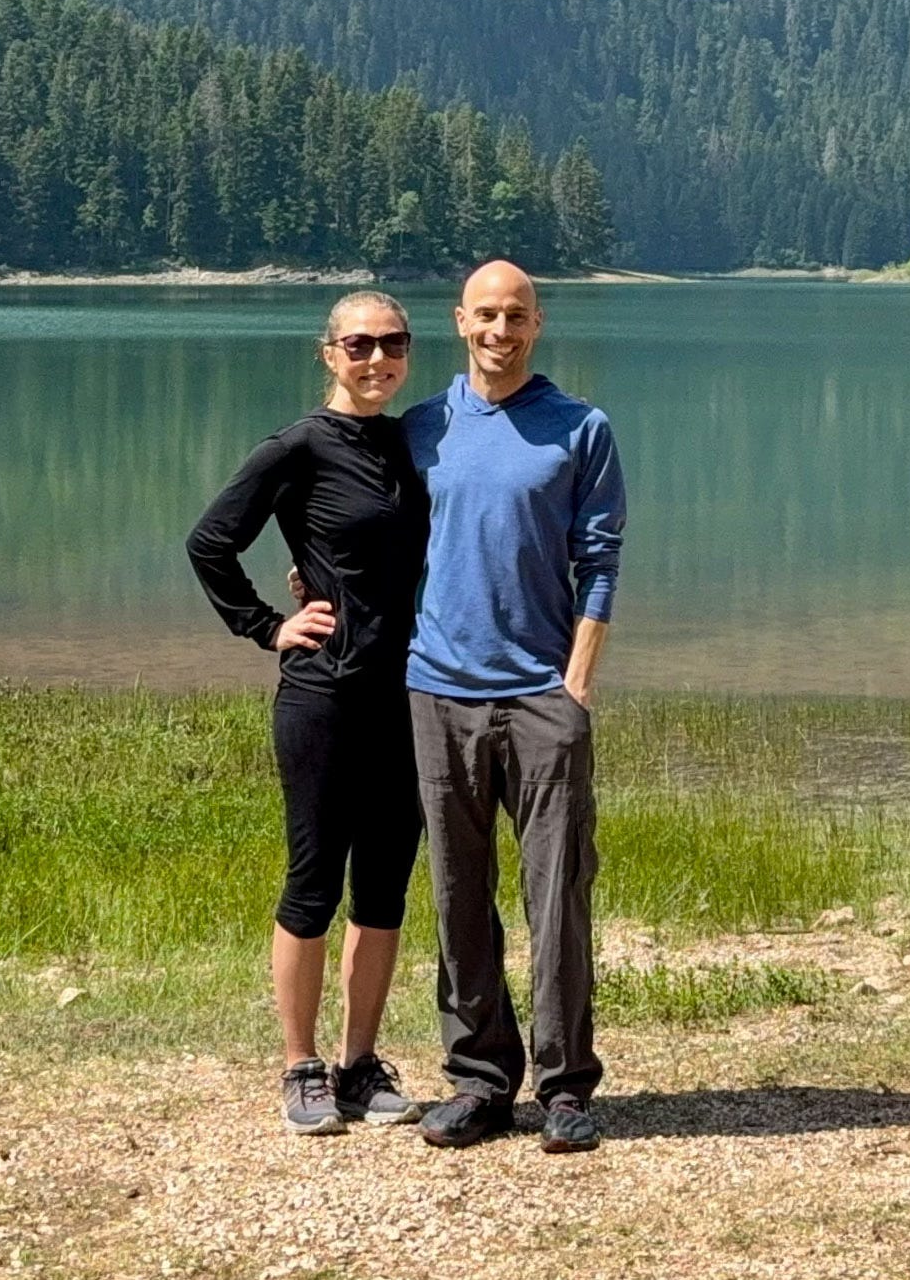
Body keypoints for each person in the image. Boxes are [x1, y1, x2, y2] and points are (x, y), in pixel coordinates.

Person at [186, 289, 435, 1136]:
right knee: (313, 881)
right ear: (328, 353)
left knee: (384, 886)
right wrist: (268, 626)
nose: (377, 358)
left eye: (392, 343)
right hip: (323, 695)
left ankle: (358, 1065)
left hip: (408, 695)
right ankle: (300, 1067)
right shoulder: (296, 446)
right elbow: (209, 542)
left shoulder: (410, 444)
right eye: (358, 344)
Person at [403, 259, 625, 1154]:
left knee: (556, 896)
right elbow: (380, 541)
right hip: (438, 691)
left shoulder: (580, 428)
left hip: (541, 696)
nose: (501, 330)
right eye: (487, 315)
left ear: (537, 325)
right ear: (460, 321)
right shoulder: (423, 428)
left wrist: (576, 682)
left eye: (517, 316)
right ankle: (479, 1081)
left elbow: (599, 561)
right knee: (458, 894)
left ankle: (565, 1087)